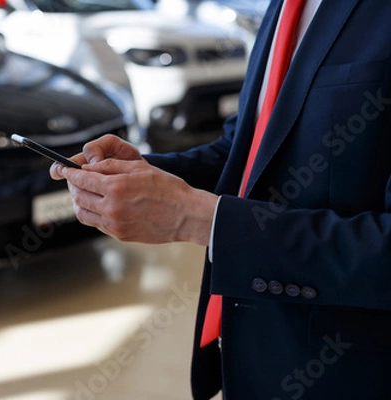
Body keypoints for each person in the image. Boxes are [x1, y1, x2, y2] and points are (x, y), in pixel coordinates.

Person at [50, 0, 391, 399]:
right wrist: (149, 174)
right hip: (255, 351)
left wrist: (199, 219)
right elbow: (253, 149)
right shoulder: (283, 7)